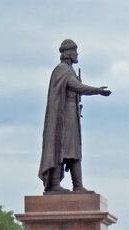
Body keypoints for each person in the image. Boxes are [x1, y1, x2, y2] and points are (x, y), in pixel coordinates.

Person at [39, 39, 111, 194]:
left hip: (71, 114)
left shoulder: (68, 70)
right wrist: (97, 90)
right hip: (64, 119)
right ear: (69, 53)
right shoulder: (62, 70)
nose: (77, 54)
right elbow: (76, 86)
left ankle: (77, 186)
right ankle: (54, 184)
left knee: (74, 150)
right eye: (75, 51)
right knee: (63, 149)